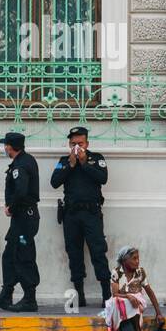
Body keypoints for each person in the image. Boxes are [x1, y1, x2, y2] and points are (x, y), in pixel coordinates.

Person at [51, 125, 111, 306]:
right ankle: (79, 294)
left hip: (91, 213)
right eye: (73, 143)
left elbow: (103, 178)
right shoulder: (64, 161)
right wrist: (70, 165)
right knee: (74, 253)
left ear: (87, 143)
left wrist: (84, 162)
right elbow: (54, 182)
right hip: (71, 214)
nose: (77, 147)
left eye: (80, 143)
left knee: (98, 252)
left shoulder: (96, 158)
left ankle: (107, 294)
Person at [0, 131, 40, 312]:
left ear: (10, 146)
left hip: (24, 217)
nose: (4, 148)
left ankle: (30, 299)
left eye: (5, 145)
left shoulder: (20, 165)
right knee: (10, 255)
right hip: (22, 218)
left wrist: (11, 207)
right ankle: (6, 294)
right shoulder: (24, 160)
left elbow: (21, 191)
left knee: (24, 256)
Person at [103, 246, 164, 331]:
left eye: (138, 258)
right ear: (124, 260)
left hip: (136, 302)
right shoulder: (117, 272)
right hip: (122, 301)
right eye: (134, 258)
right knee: (115, 301)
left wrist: (158, 313)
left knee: (135, 299)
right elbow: (115, 294)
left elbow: (150, 292)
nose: (137, 261)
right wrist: (128, 296)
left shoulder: (140, 272)